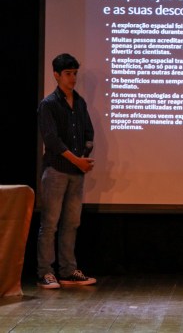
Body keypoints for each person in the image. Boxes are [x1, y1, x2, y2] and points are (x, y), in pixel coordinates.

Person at [36, 53, 97, 289]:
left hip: (76, 172)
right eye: (68, 74)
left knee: (72, 223)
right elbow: (52, 140)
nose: (73, 78)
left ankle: (68, 270)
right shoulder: (48, 104)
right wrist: (76, 161)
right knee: (50, 223)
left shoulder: (80, 102)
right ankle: (45, 272)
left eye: (75, 74)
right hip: (56, 171)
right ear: (56, 75)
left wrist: (84, 155)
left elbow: (89, 133)